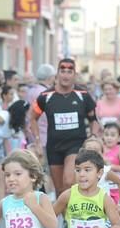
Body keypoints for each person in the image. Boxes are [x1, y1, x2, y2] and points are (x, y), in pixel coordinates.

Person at [29, 59, 99, 202]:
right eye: (63, 71)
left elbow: (94, 120)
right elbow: (32, 118)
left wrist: (92, 137)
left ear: (75, 74)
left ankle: (75, 215)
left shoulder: (83, 95)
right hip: (54, 146)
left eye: (69, 72)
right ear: (57, 74)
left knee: (69, 181)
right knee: (60, 189)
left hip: (76, 145)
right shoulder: (45, 96)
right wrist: (37, 141)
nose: (66, 75)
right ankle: (67, 222)